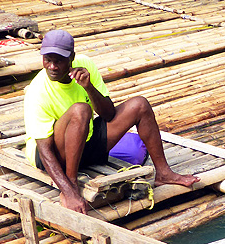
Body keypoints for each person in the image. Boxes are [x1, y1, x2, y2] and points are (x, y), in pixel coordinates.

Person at [24, 29, 198, 214]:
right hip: (54, 155)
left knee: (140, 105)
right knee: (81, 109)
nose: (52, 66)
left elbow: (108, 114)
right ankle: (72, 182)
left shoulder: (85, 65)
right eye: (47, 60)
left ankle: (163, 173)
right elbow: (44, 151)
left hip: (85, 143)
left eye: (58, 61)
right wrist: (68, 191)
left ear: (71, 58)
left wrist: (88, 87)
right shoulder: (37, 91)